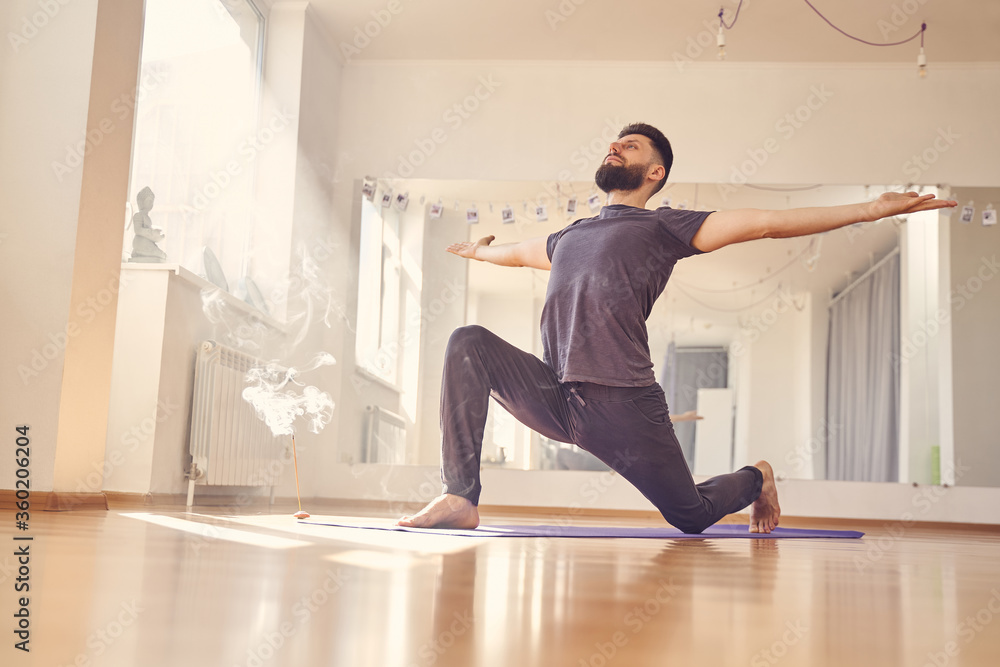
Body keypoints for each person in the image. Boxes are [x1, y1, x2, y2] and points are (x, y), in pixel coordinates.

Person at [396, 122, 956, 534]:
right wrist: (480, 252)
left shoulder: (662, 227)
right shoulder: (569, 236)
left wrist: (869, 209)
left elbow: (765, 223)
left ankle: (756, 477)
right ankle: (460, 497)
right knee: (468, 342)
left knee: (689, 515)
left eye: (630, 145)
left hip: (623, 403)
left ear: (655, 172)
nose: (615, 146)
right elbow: (520, 254)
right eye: (614, 142)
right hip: (557, 394)